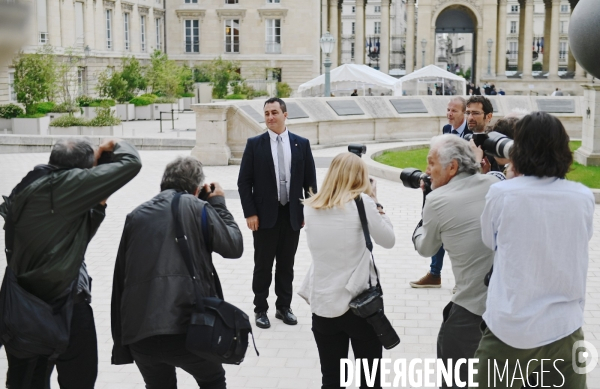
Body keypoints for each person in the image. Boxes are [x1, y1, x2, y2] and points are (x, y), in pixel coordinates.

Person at [0, 138, 142, 389]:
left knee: (28, 380)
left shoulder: (35, 183)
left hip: (25, 309)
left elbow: (76, 238)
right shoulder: (61, 187)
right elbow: (131, 163)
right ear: (78, 173)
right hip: (56, 306)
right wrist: (115, 144)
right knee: (77, 379)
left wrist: (98, 198)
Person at [472, 112, 594, 388]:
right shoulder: (583, 197)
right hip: (565, 330)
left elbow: (490, 241)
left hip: (511, 329)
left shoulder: (502, 194)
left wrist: (512, 177)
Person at [111, 156, 243, 389]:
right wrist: (218, 204)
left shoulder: (135, 215)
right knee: (212, 379)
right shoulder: (197, 207)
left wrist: (122, 341)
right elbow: (233, 246)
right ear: (196, 188)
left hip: (141, 334)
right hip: (186, 330)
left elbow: (120, 278)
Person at [298, 153, 395, 389]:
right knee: (369, 380)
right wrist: (375, 201)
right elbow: (389, 239)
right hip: (361, 305)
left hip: (323, 305)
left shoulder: (311, 206)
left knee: (331, 379)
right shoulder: (363, 203)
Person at [412, 135, 498, 388]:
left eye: (431, 163)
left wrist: (423, 216)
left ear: (452, 167)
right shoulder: (494, 183)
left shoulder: (436, 201)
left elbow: (425, 247)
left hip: (471, 309)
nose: (427, 170)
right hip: (505, 306)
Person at [238, 97, 318, 329]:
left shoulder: (301, 144)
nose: (270, 117)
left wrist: (308, 212)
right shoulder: (255, 144)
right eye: (266, 114)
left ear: (285, 114)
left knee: (286, 263)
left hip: (292, 215)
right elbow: (244, 182)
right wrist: (250, 213)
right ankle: (260, 309)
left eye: (274, 112)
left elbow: (310, 183)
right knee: (263, 264)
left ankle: (284, 307)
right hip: (263, 217)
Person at [410, 96, 471, 289]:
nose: (449, 114)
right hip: (444, 190)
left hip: (464, 193)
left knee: (459, 237)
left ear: (464, 113)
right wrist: (429, 178)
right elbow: (437, 159)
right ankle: (435, 274)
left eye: (454, 110)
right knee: (439, 231)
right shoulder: (446, 131)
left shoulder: (472, 135)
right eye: (448, 110)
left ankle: (462, 281)